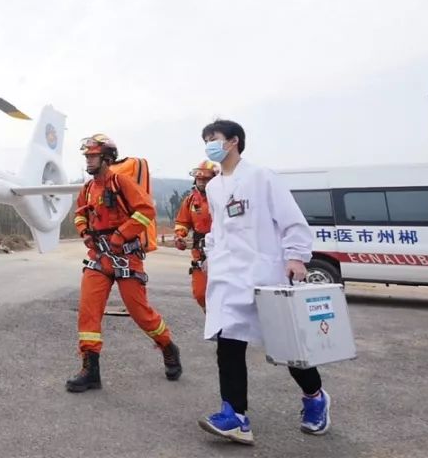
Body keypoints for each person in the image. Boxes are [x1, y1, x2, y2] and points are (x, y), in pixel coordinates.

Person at [197, 120, 330, 445]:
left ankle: (315, 397)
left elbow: (291, 220)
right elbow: (219, 229)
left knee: (286, 347)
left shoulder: (261, 177)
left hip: (264, 275)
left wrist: (296, 257)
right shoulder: (213, 187)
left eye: (213, 139)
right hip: (228, 278)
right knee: (227, 343)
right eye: (205, 140)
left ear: (233, 141)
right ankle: (236, 416)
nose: (208, 145)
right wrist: (208, 255)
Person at [67, 134, 182, 392]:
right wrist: (84, 231)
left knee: (141, 314)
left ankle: (167, 346)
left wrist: (121, 234)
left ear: (107, 158)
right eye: (86, 156)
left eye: (92, 156)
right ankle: (90, 370)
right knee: (88, 311)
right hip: (99, 258)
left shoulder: (122, 182)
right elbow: (79, 215)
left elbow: (146, 211)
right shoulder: (87, 189)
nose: (88, 160)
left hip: (126, 256)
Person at [174, 160, 218, 311]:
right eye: (199, 179)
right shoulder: (191, 200)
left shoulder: (223, 198)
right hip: (200, 253)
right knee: (200, 294)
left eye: (206, 179)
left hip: (222, 251)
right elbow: (182, 222)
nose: (202, 183)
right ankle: (211, 318)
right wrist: (180, 236)